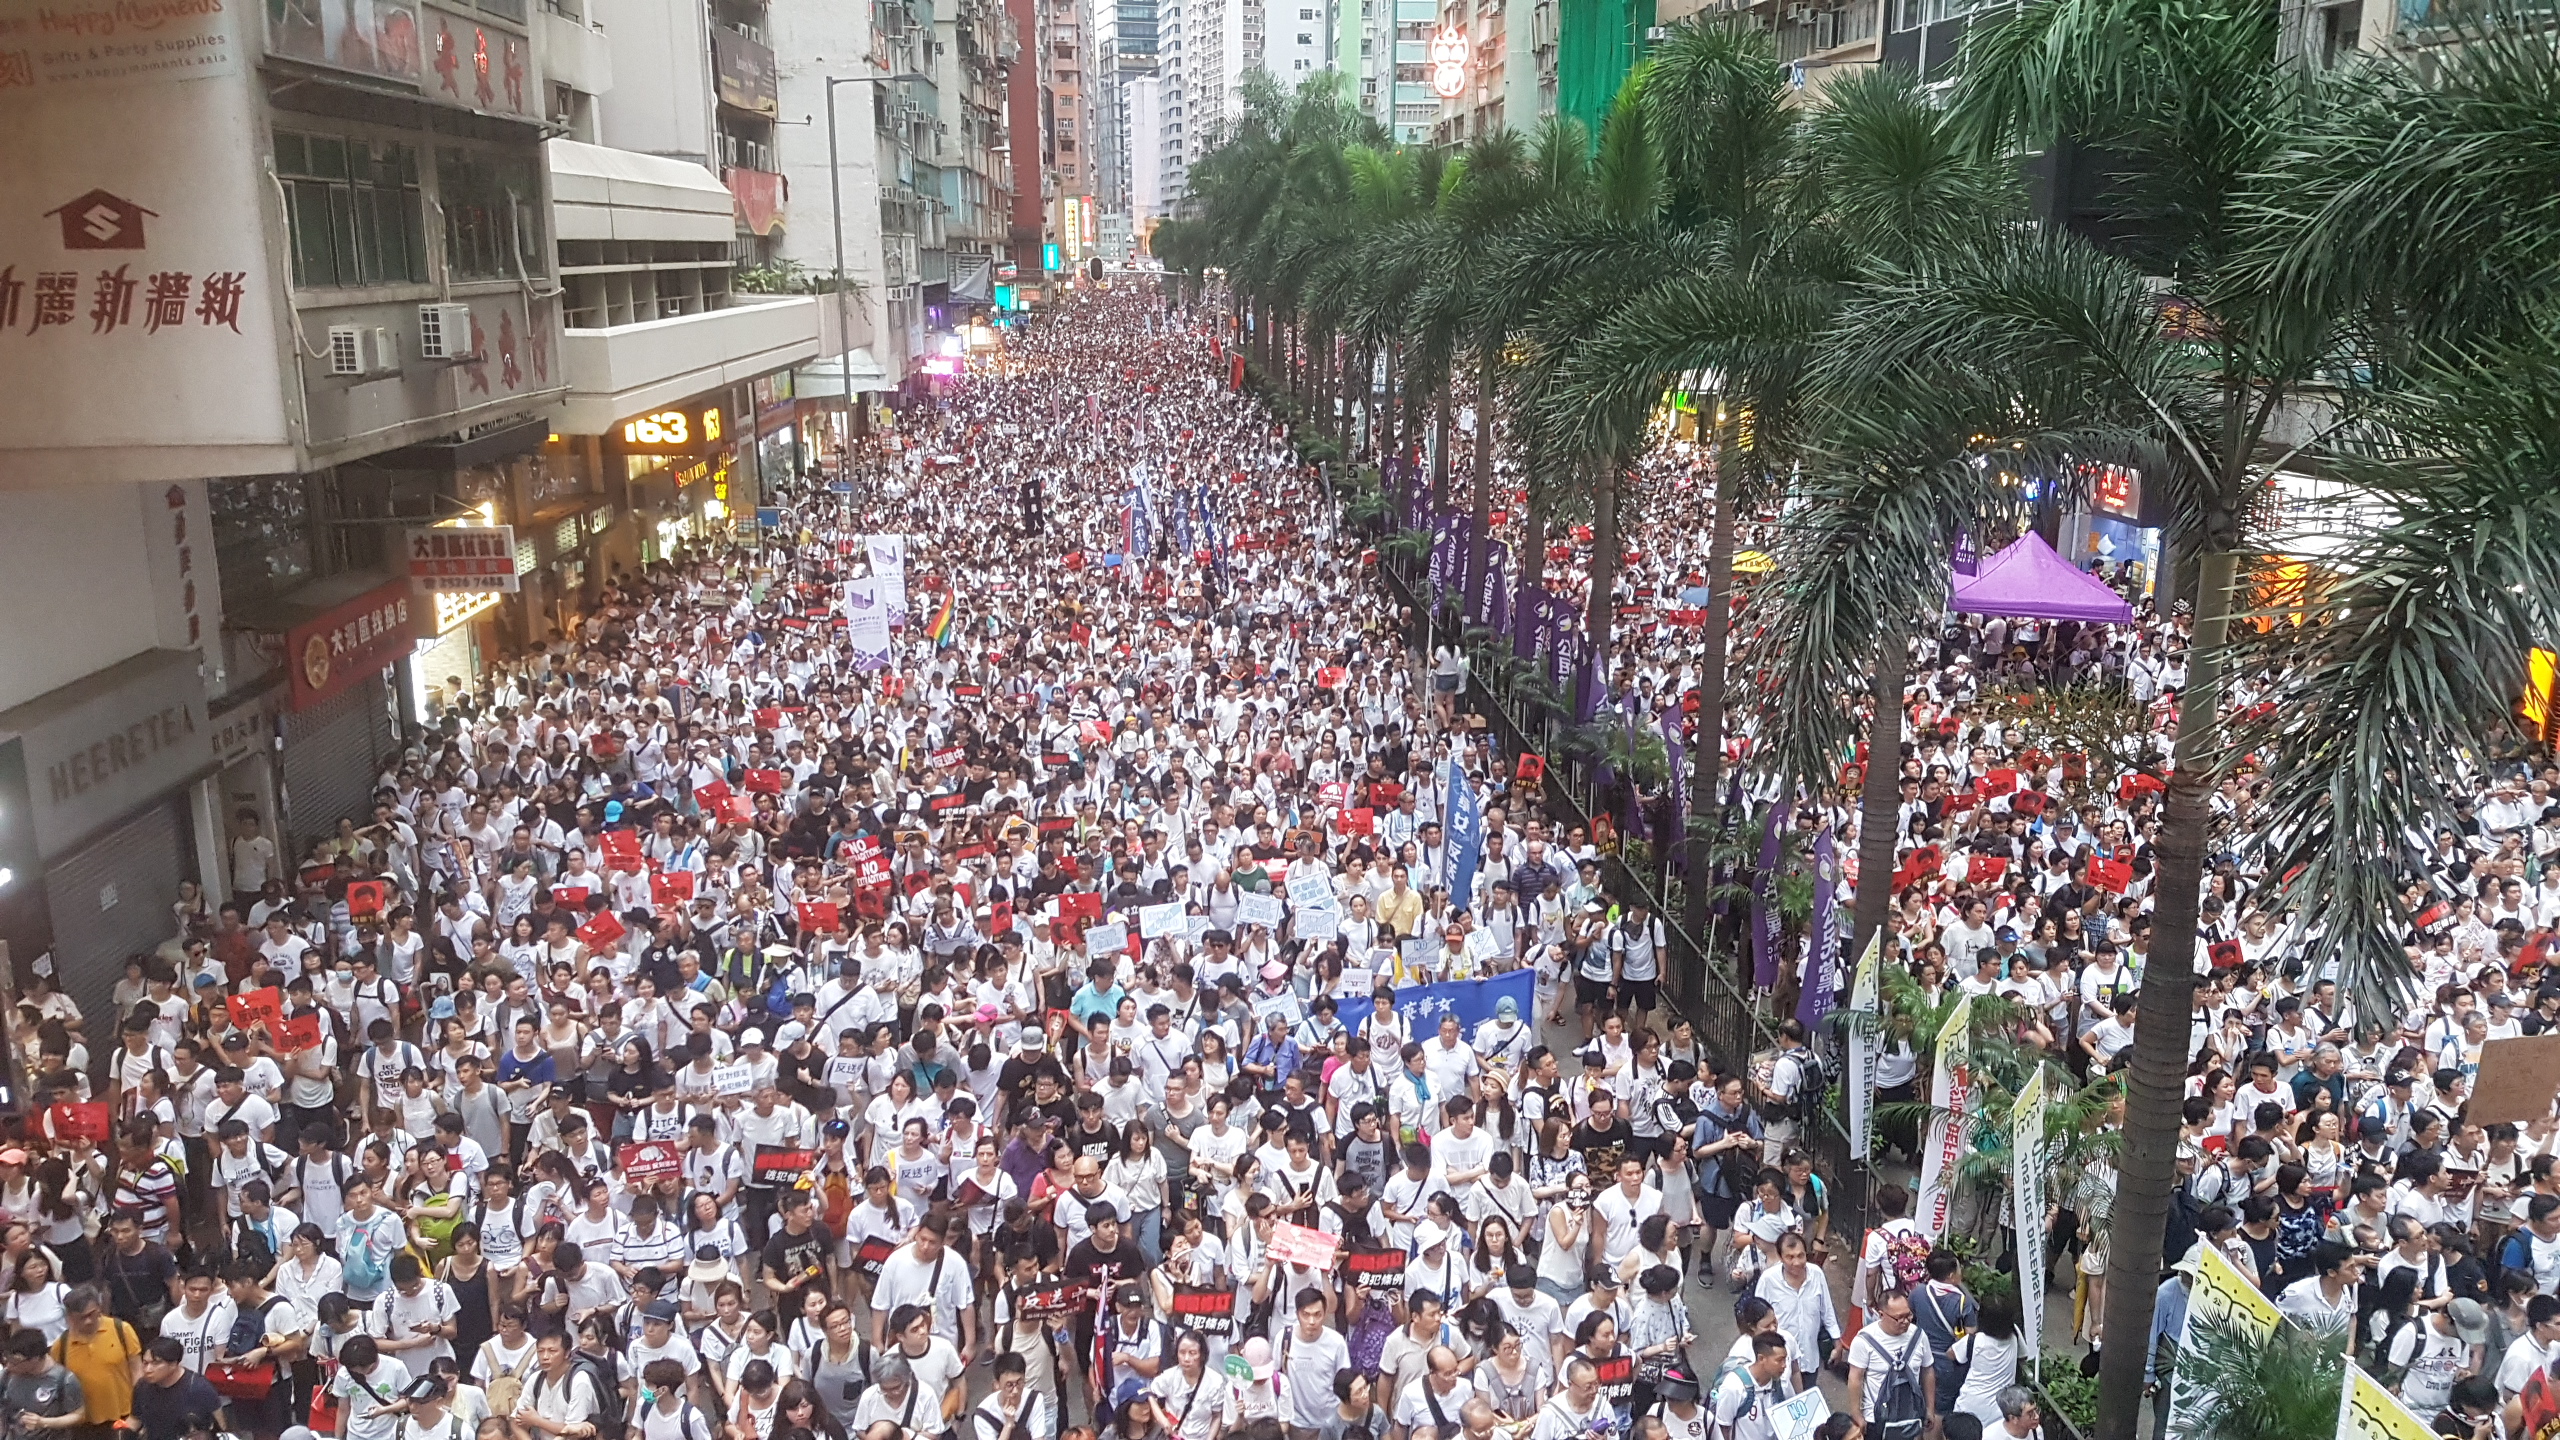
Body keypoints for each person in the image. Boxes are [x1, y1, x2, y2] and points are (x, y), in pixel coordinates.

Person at [1843, 1294, 1933, 1440]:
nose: (1905, 1321)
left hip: (1911, 1416)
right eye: (1899, 1318)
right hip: (1876, 1419)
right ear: (1881, 1315)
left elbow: (1927, 1371)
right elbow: (1855, 1378)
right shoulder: (1864, 1340)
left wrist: (1929, 1408)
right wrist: (1856, 1414)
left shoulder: (1919, 1336)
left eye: (1908, 1315)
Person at [129, 1337, 225, 1440]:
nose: (148, 1369)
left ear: (173, 1364)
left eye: (156, 1363)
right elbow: (135, 1420)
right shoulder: (143, 1386)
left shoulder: (200, 1388)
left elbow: (220, 1427)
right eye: (145, 1363)